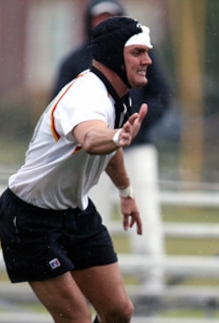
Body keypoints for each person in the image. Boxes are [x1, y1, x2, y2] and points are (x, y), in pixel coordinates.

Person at [0, 16, 155, 323]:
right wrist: (116, 137)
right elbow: (91, 137)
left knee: (118, 310)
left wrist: (125, 193)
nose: (148, 60)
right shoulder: (86, 95)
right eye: (138, 52)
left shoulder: (115, 95)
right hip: (29, 218)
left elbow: (108, 143)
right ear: (113, 57)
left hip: (75, 212)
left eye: (148, 52)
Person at [52, 0, 171, 292]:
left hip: (137, 148)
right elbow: (61, 106)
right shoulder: (76, 62)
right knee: (90, 210)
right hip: (89, 152)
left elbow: (162, 97)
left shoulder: (143, 59)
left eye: (110, 18)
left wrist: (137, 125)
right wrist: (106, 132)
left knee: (144, 208)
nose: (102, 24)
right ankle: (87, 275)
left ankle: (151, 279)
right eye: (99, 18)